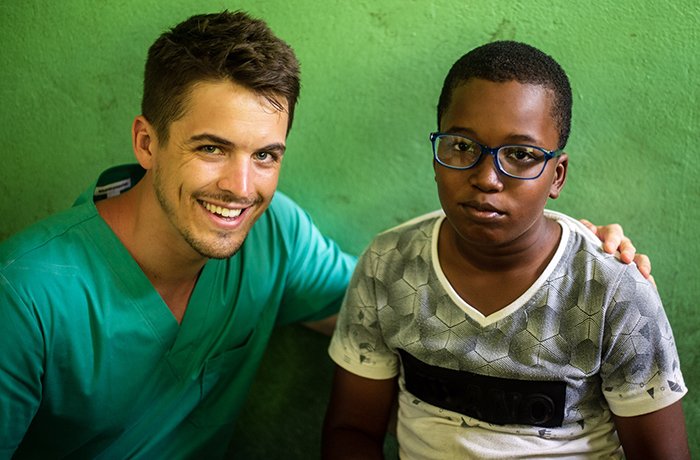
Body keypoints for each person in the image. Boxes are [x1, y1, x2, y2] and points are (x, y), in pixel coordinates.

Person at [0, 11, 648, 459]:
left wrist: (563, 249)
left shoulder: (273, 234)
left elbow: (399, 301)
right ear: (148, 141)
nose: (239, 186)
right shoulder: (26, 294)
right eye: (210, 148)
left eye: (265, 155)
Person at [322, 41, 688, 459]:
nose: (487, 178)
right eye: (461, 146)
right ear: (436, 154)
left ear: (557, 175)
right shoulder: (388, 264)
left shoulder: (611, 289)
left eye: (520, 155)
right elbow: (352, 430)